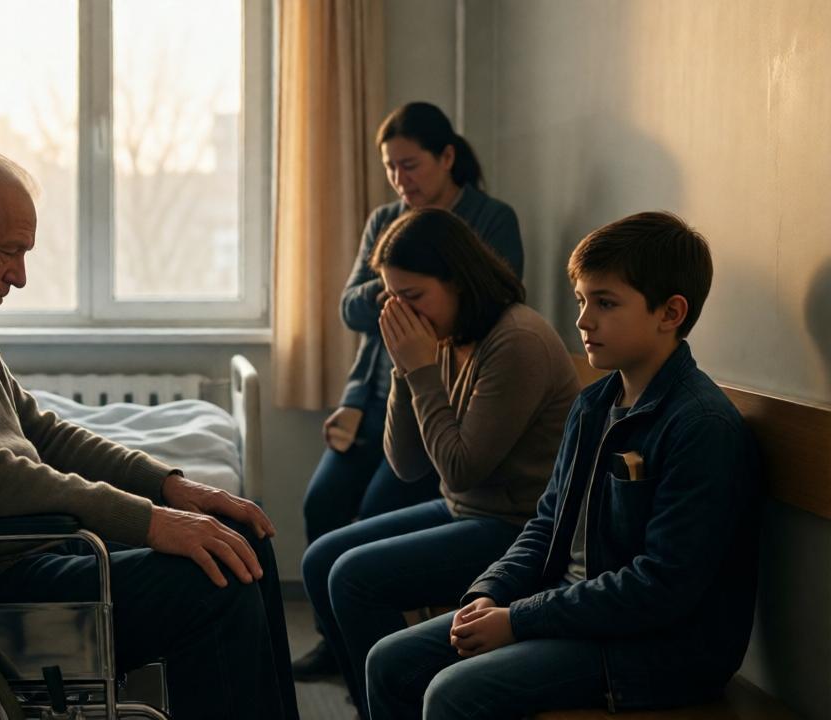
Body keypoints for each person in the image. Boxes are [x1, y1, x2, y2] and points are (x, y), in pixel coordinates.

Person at [0, 149, 299, 719]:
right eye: (8, 251)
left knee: (241, 537)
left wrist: (169, 488)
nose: (19, 276)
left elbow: (43, 434)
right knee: (215, 582)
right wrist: (147, 521)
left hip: (19, 551)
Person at [365, 212, 760, 720]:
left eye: (605, 303)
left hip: (659, 649)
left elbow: (661, 587)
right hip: (572, 607)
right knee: (389, 661)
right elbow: (547, 523)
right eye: (581, 300)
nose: (583, 320)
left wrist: (519, 619)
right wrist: (491, 591)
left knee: (452, 692)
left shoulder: (701, 425)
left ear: (670, 312)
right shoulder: (594, 404)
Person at [301, 208, 577, 714]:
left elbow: (459, 469)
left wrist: (420, 368)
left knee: (353, 578)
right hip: (466, 509)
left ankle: (395, 704)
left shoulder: (517, 341)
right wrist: (404, 369)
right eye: (392, 298)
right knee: (321, 559)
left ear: (458, 281)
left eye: (413, 296)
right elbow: (407, 465)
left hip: (519, 527)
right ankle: (374, 705)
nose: (403, 313)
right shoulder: (447, 334)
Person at [296, 101, 525, 677]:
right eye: (390, 168)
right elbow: (352, 308)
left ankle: (383, 651)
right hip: (380, 391)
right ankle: (338, 643)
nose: (401, 179)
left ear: (446, 157)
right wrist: (398, 300)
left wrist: (406, 307)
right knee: (321, 503)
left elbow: (492, 301)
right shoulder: (386, 220)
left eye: (410, 165)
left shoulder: (491, 222)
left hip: (440, 394)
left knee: (374, 515)